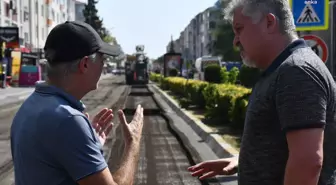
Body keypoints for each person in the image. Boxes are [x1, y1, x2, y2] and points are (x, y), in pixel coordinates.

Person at [188, 0, 336, 185]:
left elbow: (308, 163)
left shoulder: (296, 71)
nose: (235, 41)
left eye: (239, 29)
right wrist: (242, 161)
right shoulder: (279, 70)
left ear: (269, 22)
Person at [10, 21, 144, 185]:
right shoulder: (68, 120)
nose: (103, 66)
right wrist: (133, 143)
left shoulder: (30, 106)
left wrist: (88, 143)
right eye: (102, 60)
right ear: (85, 64)